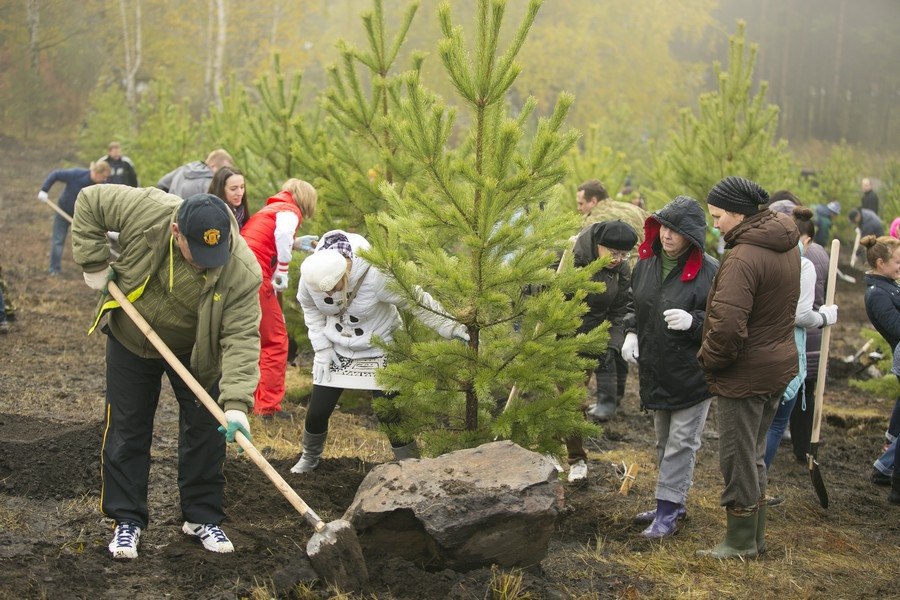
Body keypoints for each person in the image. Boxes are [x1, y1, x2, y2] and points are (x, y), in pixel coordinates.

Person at [71, 188, 262, 560]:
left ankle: (201, 517)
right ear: (176, 232)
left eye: (216, 253)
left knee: (207, 426)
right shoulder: (148, 210)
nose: (208, 263)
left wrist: (237, 403)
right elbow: (89, 201)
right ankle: (127, 521)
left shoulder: (241, 268)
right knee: (127, 427)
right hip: (131, 334)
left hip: (195, 349)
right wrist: (94, 264)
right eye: (200, 254)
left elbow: (242, 337)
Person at [290, 230, 469, 474]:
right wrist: (322, 348)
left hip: (378, 346)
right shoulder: (313, 275)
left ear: (346, 272)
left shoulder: (375, 276)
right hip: (336, 349)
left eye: (333, 289)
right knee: (318, 411)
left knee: (389, 414)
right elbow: (309, 308)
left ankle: (411, 467)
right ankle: (310, 457)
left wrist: (452, 326)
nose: (329, 296)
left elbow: (416, 300)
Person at [697, 176, 800, 559]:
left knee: (737, 454)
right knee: (754, 450)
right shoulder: (785, 243)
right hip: (776, 365)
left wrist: (710, 360)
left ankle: (739, 540)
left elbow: (726, 326)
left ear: (738, 213)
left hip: (745, 372)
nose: (715, 225)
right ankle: (755, 537)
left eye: (718, 216)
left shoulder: (743, 256)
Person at [623, 196, 718, 538]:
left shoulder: (710, 271)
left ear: (690, 235)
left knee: (681, 442)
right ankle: (672, 502)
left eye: (675, 230)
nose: (667, 235)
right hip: (656, 370)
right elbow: (634, 303)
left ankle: (666, 514)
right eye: (664, 227)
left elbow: (726, 321)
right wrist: (631, 333)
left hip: (693, 374)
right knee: (664, 441)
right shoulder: (646, 264)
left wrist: (694, 323)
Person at [763, 206, 839, 471]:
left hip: (762, 348)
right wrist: (824, 317)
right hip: (790, 347)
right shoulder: (804, 263)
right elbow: (801, 314)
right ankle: (758, 482)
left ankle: (753, 480)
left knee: (764, 423)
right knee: (776, 422)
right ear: (803, 238)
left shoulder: (760, 256)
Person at [241, 179, 318, 418]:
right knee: (275, 341)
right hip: (256, 275)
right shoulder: (289, 209)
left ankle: (250, 399)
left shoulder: (271, 209)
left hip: (241, 272)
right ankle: (267, 408)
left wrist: (294, 244)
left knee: (251, 338)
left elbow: (270, 237)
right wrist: (283, 269)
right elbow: (283, 233)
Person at [567, 220, 637, 482]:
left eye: (624, 254)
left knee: (572, 400)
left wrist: (611, 344)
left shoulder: (621, 270)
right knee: (562, 399)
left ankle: (576, 460)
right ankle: (558, 453)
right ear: (598, 246)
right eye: (613, 253)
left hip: (590, 338)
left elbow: (619, 311)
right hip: (555, 336)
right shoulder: (568, 258)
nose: (619, 259)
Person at [576, 179, 648, 407]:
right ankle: (615, 396)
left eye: (581, 203)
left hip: (615, 278)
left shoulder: (596, 222)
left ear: (593, 201)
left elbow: (583, 249)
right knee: (624, 336)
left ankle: (608, 401)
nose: (579, 208)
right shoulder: (632, 208)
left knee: (609, 339)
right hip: (642, 276)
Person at [859, 234, 900, 504]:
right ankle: (887, 470)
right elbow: (897, 329)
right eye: (898, 261)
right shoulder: (878, 295)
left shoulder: (890, 286)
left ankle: (885, 466)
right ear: (881, 262)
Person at [38, 160, 111, 274]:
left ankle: (91, 269)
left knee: (87, 242)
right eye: (103, 177)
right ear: (97, 173)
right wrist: (44, 189)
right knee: (58, 240)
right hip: (63, 210)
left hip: (82, 217)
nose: (105, 180)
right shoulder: (77, 174)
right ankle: (54, 269)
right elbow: (56, 174)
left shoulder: (101, 186)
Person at [157, 149, 234, 199]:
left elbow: (162, 184)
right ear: (213, 166)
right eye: (223, 170)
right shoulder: (211, 183)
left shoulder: (184, 168)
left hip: (171, 218)